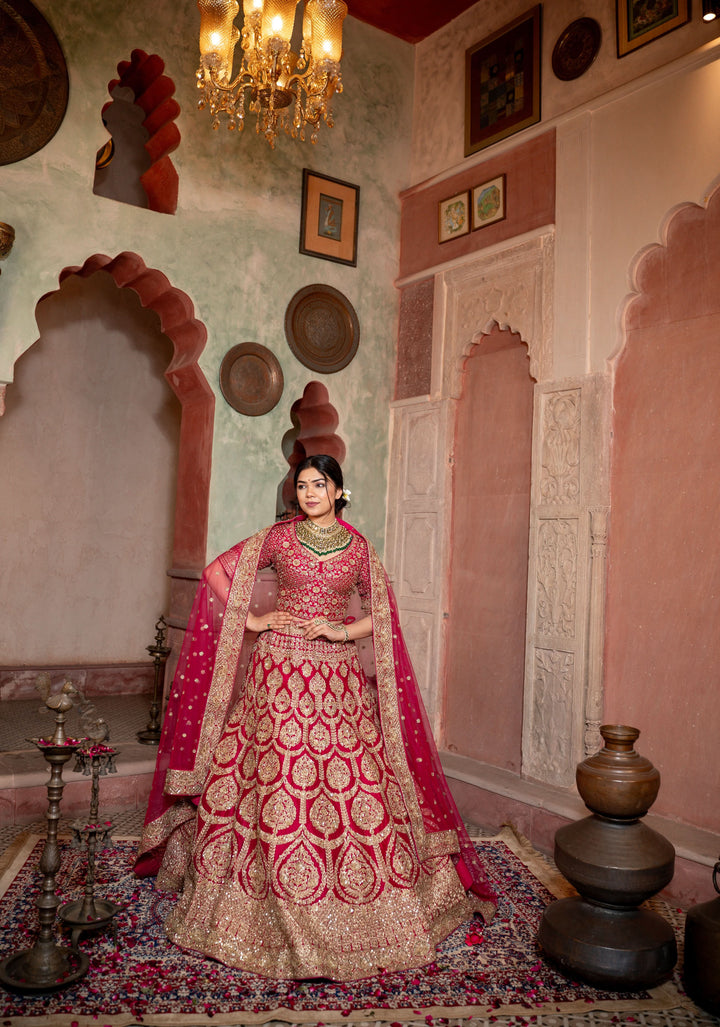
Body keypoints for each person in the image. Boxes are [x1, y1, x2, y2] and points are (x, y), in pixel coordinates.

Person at [135, 455, 496, 980]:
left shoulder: (360, 549)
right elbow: (217, 573)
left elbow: (384, 615)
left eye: (318, 485)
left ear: (338, 492)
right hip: (276, 674)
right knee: (275, 776)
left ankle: (360, 899)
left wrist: (341, 632)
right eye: (302, 486)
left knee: (352, 779)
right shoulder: (279, 539)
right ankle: (258, 900)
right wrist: (255, 620)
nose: (308, 493)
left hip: (337, 680)